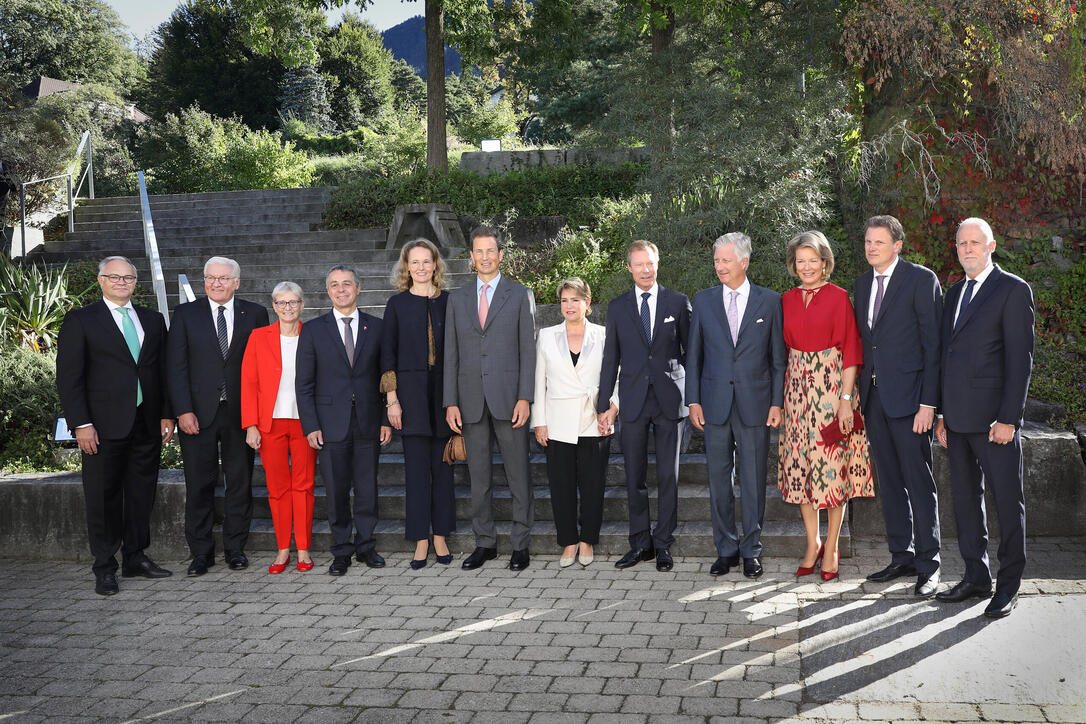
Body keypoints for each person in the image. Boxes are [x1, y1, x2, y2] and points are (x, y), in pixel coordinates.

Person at [56, 256, 175, 595]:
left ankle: (135, 557)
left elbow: (161, 371)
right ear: (101, 280)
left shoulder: (152, 321)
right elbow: (69, 378)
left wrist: (166, 413)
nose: (122, 282)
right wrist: (81, 423)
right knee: (103, 497)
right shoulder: (81, 320)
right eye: (115, 277)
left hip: (146, 422)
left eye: (129, 278)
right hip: (101, 427)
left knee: (141, 495)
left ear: (136, 283)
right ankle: (104, 566)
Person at [935, 218, 1034, 618]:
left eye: (976, 242)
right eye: (962, 243)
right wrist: (941, 414)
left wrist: (1009, 418)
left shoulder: (1013, 290)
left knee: (1009, 503)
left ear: (991, 245)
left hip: (996, 423)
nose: (968, 249)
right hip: (956, 421)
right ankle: (976, 576)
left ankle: (1008, 586)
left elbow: (1019, 361)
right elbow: (947, 359)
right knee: (965, 502)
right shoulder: (954, 292)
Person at [853, 215, 943, 597]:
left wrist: (930, 403)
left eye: (879, 241)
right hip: (874, 400)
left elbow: (934, 347)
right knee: (889, 482)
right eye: (868, 242)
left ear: (898, 244)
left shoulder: (921, 280)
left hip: (911, 402)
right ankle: (901, 556)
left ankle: (930, 565)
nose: (872, 247)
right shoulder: (861, 284)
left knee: (918, 483)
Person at [686, 233, 785, 579]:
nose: (719, 266)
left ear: (744, 262)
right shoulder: (703, 300)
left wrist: (777, 402)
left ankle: (751, 551)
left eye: (726, 260)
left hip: (755, 405)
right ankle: (725, 549)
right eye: (716, 260)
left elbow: (777, 361)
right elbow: (693, 356)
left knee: (754, 480)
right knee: (718, 480)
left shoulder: (770, 302)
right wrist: (693, 399)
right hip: (713, 404)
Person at [778, 231, 873, 582]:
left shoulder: (838, 297)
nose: (806, 267)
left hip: (833, 390)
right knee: (800, 467)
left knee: (833, 470)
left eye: (812, 260)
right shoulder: (786, 300)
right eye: (800, 261)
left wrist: (846, 401)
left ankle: (831, 545)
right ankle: (812, 541)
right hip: (796, 392)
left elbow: (851, 350)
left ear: (824, 262)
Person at [168, 256, 268, 576]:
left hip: (241, 415)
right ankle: (201, 553)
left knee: (239, 484)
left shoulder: (255, 313)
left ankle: (235, 549)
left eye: (223, 278)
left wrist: (258, 417)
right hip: (197, 415)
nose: (216, 283)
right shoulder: (185, 314)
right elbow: (176, 366)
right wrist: (182, 410)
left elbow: (264, 369)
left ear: (237, 282)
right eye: (210, 278)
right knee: (199, 484)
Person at [444, 226, 537, 571]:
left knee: (518, 477)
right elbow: (451, 354)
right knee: (478, 479)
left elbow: (529, 351)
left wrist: (525, 397)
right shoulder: (457, 299)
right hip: (469, 401)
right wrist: (450, 401)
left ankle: (520, 544)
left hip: (509, 400)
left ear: (500, 255)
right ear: (471, 257)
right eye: (478, 251)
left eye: (490, 251)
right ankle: (484, 543)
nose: (484, 257)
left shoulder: (519, 294)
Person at [598, 240, 691, 572]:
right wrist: (603, 403)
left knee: (668, 475)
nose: (645, 269)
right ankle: (640, 543)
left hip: (670, 401)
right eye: (639, 264)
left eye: (650, 263)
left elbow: (690, 353)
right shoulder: (617, 307)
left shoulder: (678, 302)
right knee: (634, 476)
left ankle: (664, 543)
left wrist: (694, 398)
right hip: (633, 401)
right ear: (629, 268)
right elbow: (612, 357)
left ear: (658, 262)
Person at [296, 265, 392, 576]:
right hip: (329, 424)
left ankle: (366, 546)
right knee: (336, 491)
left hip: (367, 421)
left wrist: (385, 420)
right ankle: (341, 551)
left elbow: (384, 377)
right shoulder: (312, 330)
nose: (341, 289)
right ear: (328, 292)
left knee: (367, 489)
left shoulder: (376, 328)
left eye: (347, 284)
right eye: (335, 285)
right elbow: (304, 383)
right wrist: (310, 425)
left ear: (358, 288)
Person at [532, 278, 617, 567]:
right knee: (561, 485)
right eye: (564, 300)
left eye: (575, 300)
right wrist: (539, 422)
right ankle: (568, 541)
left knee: (593, 485)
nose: (569, 305)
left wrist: (613, 409)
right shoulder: (546, 335)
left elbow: (617, 376)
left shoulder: (605, 335)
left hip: (596, 419)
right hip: (557, 421)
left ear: (587, 303)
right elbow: (539, 382)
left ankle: (586, 541)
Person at [381, 239, 455, 570]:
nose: (421, 267)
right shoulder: (396, 304)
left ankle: (440, 535)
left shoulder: (451, 302)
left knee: (443, 471)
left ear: (436, 265)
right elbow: (387, 356)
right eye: (415, 262)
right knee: (415, 473)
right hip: (409, 398)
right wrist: (392, 401)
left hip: (444, 397)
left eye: (427, 261)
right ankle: (420, 540)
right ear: (406, 267)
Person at [240, 282, 317, 574]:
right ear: (273, 306)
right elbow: (248, 383)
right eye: (282, 303)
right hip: (269, 422)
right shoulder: (259, 337)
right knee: (277, 488)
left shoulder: (313, 334)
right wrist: (251, 425)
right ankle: (283, 548)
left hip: (304, 422)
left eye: (293, 302)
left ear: (302, 305)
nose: (288, 308)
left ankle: (304, 549)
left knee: (304, 485)